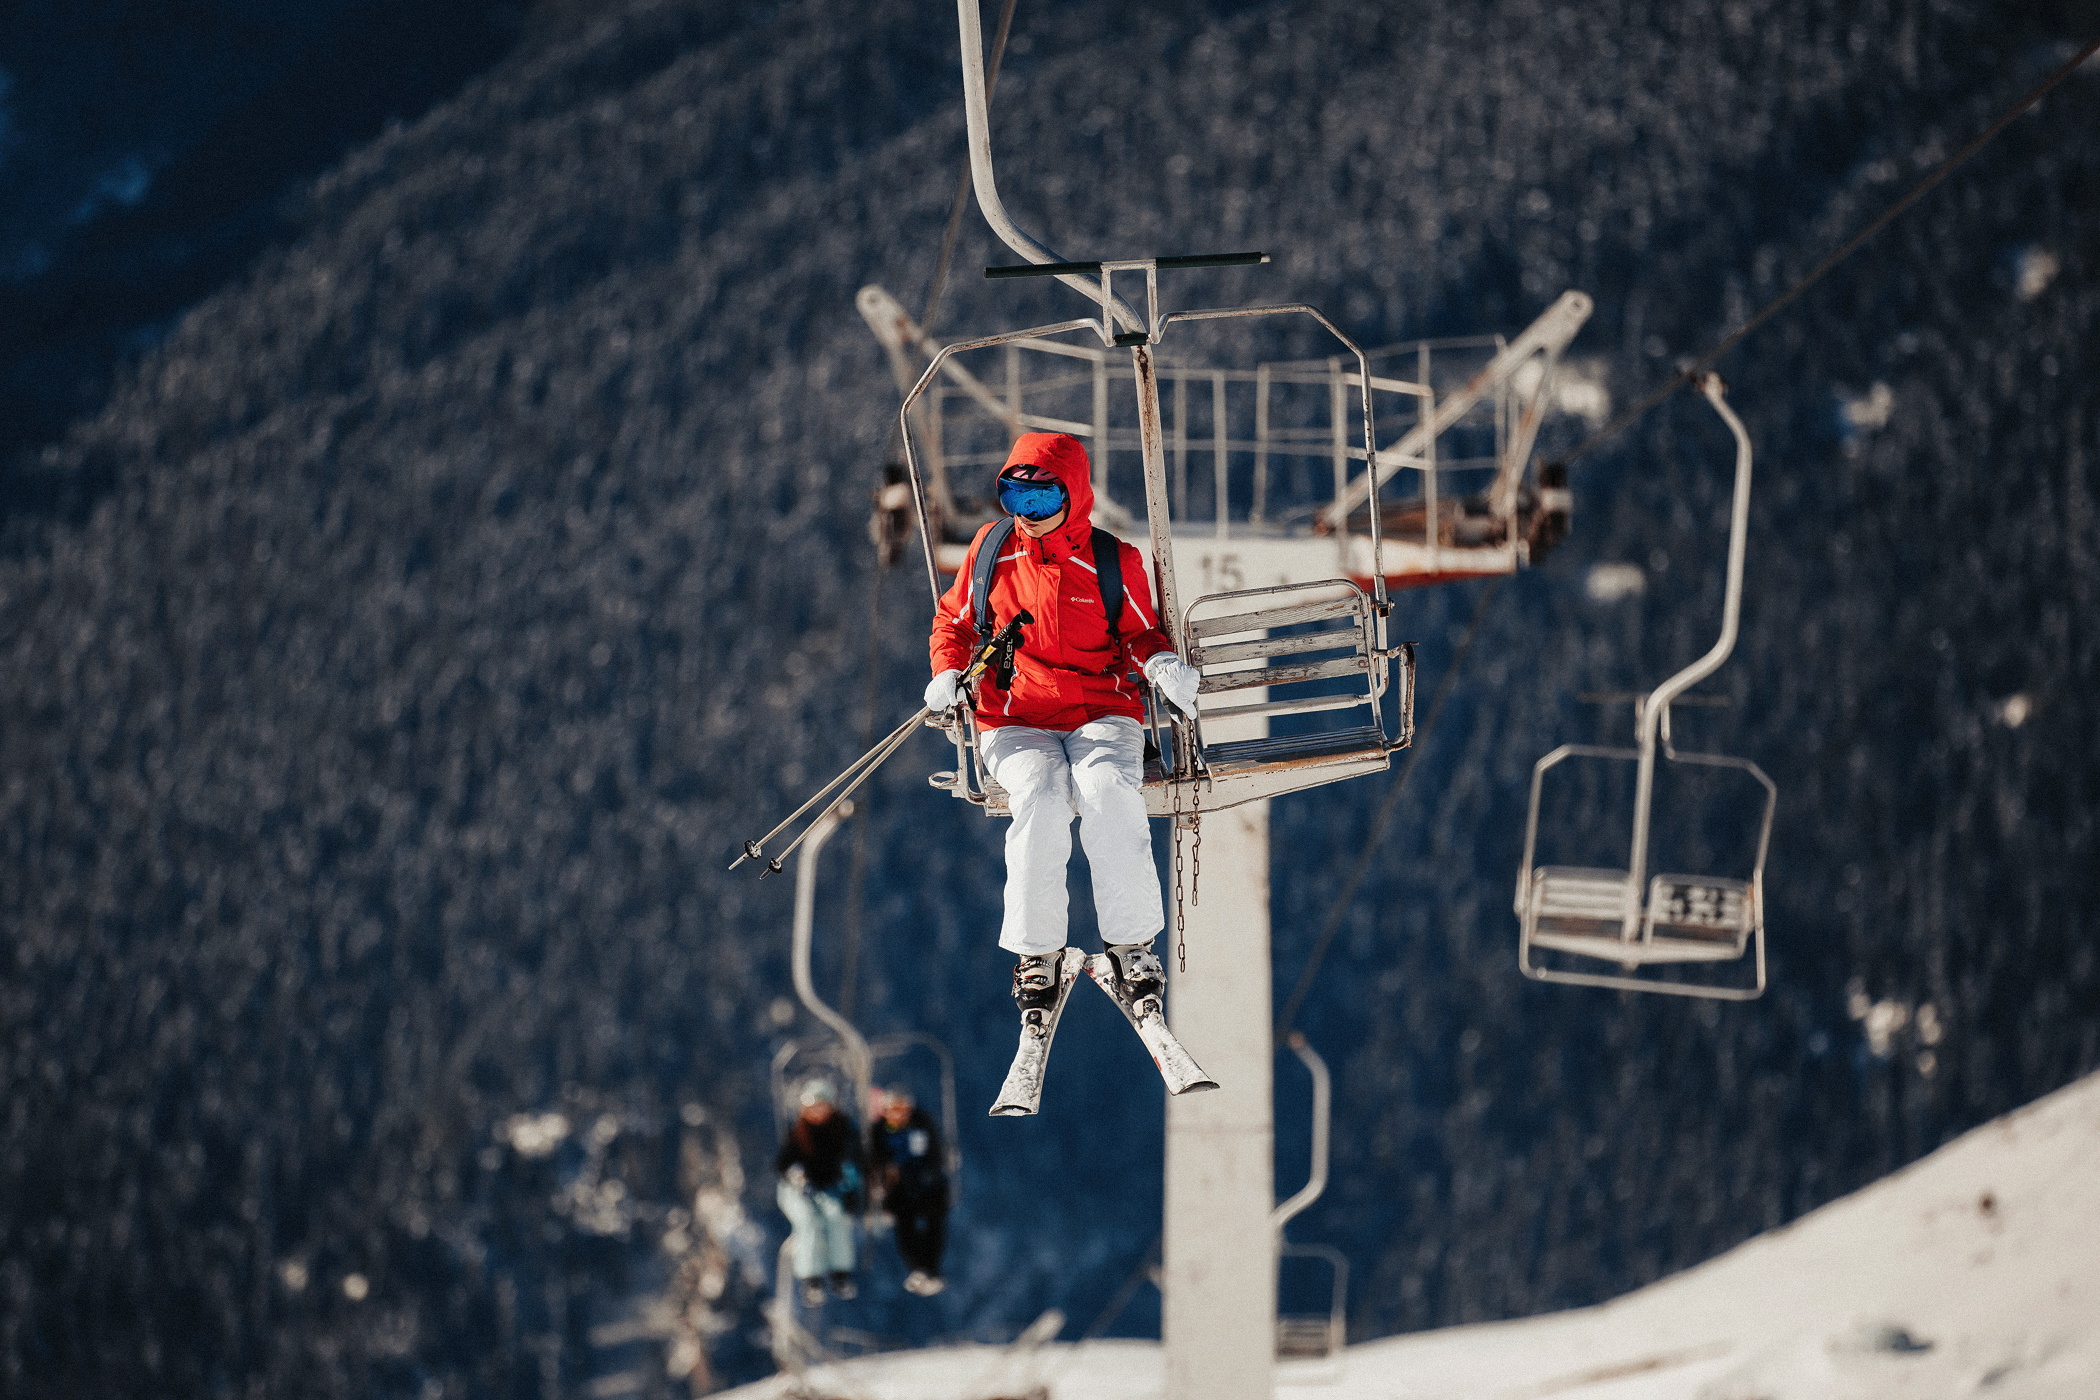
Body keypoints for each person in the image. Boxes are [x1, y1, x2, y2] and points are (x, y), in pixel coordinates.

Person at [924, 432, 1203, 1023]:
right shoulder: (993, 549)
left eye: (1041, 502)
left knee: (1106, 792)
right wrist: (947, 673)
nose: (1027, 518)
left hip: (1101, 709)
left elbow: (1137, 632)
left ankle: (1131, 945)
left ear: (1072, 497)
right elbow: (953, 621)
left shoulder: (1111, 561)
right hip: (1015, 714)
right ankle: (1036, 951)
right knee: (1041, 798)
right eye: (1014, 501)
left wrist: (1160, 662)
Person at [773, 1080, 863, 1307]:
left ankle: (840, 1273)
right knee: (808, 1221)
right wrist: (796, 1174)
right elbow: (783, 1164)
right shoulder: (799, 1133)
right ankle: (811, 1279)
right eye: (811, 1108)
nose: (816, 1113)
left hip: (829, 1189)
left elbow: (855, 1163)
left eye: (820, 1106)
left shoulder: (844, 1131)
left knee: (838, 1218)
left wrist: (852, 1189)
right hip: (798, 1190)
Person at [867, 1086, 950, 1295]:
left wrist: (930, 1171)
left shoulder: (922, 1123)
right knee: (905, 1222)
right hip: (898, 1188)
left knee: (935, 1219)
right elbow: (873, 1160)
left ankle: (931, 1267)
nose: (899, 1113)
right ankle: (917, 1267)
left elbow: (935, 1154)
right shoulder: (879, 1132)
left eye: (903, 1108)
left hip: (927, 1183)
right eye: (894, 1109)